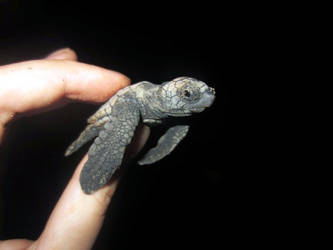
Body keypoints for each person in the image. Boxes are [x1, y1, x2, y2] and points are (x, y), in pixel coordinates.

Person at [0, 48, 149, 250]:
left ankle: (77, 147)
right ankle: (78, 147)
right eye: (187, 95)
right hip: (115, 108)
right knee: (90, 136)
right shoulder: (142, 97)